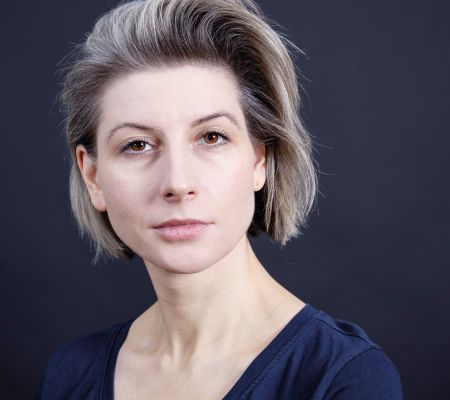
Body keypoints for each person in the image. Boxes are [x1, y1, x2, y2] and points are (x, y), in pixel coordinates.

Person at [37, 0, 403, 399]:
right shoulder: (71, 372)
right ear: (93, 177)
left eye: (212, 137)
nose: (178, 183)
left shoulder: (343, 377)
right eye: (137, 145)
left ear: (259, 160)